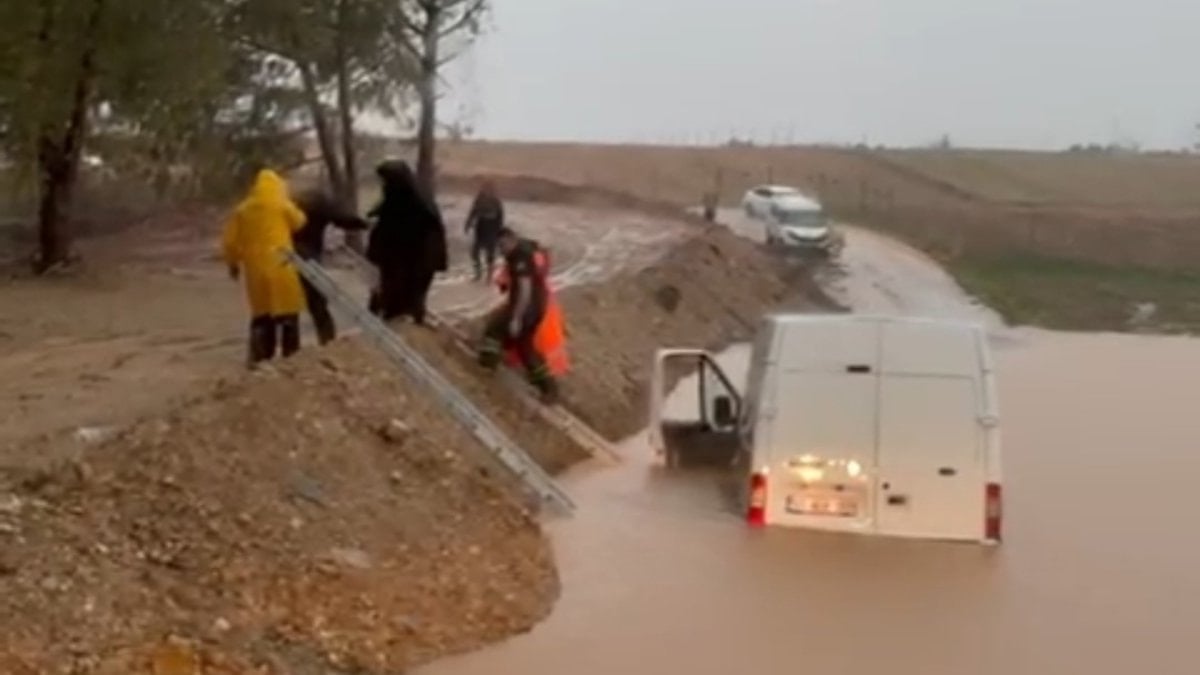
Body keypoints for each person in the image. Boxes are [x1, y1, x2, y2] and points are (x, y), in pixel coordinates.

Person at [221, 169, 307, 365]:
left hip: (256, 269)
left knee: (262, 314)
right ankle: (291, 360)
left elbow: (230, 243)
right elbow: (299, 222)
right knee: (288, 313)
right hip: (282, 265)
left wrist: (233, 264)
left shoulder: (242, 210)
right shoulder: (282, 205)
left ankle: (260, 359)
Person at [478, 228, 561, 403]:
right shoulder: (526, 248)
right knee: (525, 347)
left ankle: (487, 365)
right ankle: (548, 387)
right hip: (537, 305)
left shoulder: (519, 256)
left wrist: (516, 317)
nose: (501, 250)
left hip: (527, 307)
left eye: (503, 246)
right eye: (499, 247)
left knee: (494, 329)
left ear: (511, 239)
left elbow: (524, 288)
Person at [365, 160, 448, 325]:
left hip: (417, 259)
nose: (383, 184)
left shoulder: (413, 201)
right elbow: (385, 213)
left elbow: (397, 227)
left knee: (408, 299)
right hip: (404, 258)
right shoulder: (403, 195)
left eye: (385, 180)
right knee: (396, 299)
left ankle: (407, 337)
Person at [291, 188, 369, 344]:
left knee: (286, 308)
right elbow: (344, 219)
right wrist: (365, 224)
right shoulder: (321, 204)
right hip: (308, 257)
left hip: (282, 257)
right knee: (317, 304)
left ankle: (285, 352)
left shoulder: (289, 202)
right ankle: (326, 341)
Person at [464, 180, 505, 282]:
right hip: (480, 229)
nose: (485, 190)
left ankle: (489, 276)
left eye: (487, 188)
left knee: (489, 254)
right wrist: (468, 224)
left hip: (492, 229)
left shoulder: (495, 201)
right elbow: (473, 211)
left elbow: (500, 217)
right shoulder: (479, 199)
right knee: (475, 252)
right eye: (484, 188)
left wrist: (499, 232)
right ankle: (478, 273)